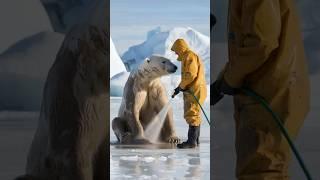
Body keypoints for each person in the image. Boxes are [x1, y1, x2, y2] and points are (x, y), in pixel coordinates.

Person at [212, 0, 310, 179]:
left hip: (270, 94)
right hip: (273, 88)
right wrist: (222, 82)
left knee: (261, 172)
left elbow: (261, 42)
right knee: (264, 170)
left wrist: (230, 79)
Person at [171, 39, 207, 149]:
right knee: (194, 114)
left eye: (176, 50)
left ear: (180, 48)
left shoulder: (189, 56)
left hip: (195, 90)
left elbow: (191, 75)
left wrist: (181, 86)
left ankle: (191, 142)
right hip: (195, 89)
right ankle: (195, 140)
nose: (176, 53)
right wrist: (180, 87)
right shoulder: (188, 56)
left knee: (192, 114)